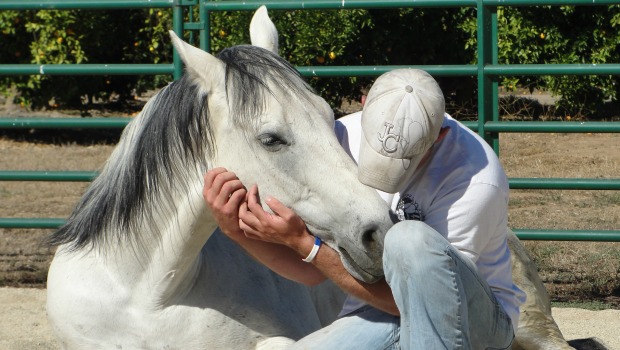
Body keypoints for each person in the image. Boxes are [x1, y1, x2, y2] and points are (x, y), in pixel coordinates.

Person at [203, 68, 525, 349]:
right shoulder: (340, 137)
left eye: (404, 161)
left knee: (409, 240)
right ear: (364, 103)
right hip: (377, 311)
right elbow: (315, 274)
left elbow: (428, 303)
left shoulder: (476, 179)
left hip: (474, 324)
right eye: (372, 146)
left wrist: (305, 244)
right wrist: (237, 231)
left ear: (439, 136)